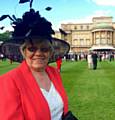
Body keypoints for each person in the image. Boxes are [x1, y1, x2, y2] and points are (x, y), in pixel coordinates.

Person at [0, 5, 70, 120]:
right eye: (32, 49)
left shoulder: (53, 73)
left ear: (50, 52)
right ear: (23, 51)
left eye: (44, 49)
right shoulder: (8, 81)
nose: (38, 53)